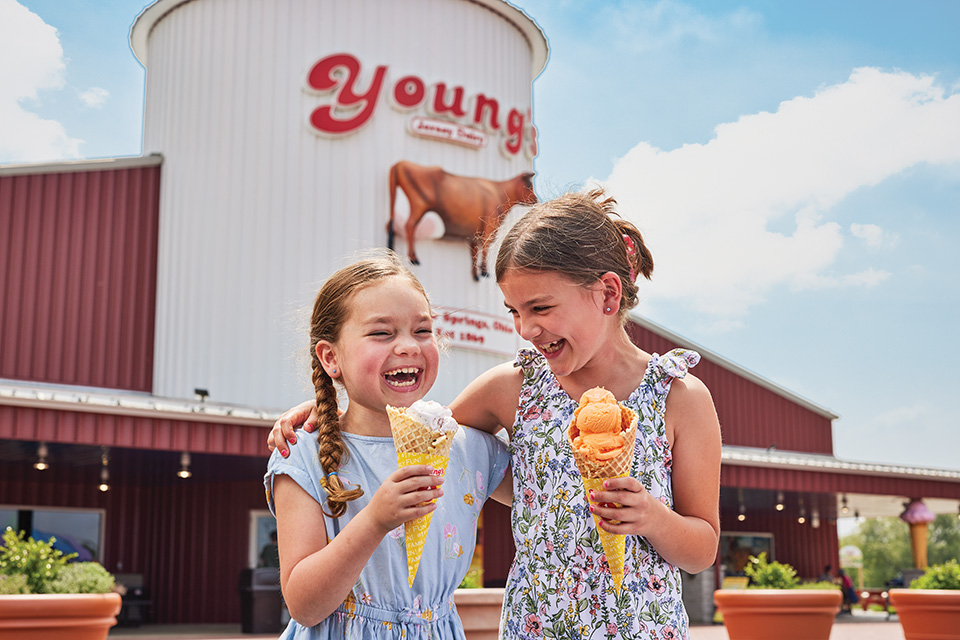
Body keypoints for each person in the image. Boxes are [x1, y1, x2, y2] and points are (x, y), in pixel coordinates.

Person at [270, 189, 722, 639]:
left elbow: (702, 549)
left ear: (607, 293)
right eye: (514, 311)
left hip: (642, 628)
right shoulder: (510, 388)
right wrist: (328, 404)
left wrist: (652, 517)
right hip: (533, 629)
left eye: (540, 307)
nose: (525, 329)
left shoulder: (681, 399)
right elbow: (422, 431)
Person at [264, 252, 512, 639]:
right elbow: (304, 606)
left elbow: (553, 497)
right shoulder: (304, 453)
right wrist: (375, 520)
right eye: (382, 333)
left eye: (423, 330)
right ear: (331, 357)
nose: (409, 346)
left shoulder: (469, 448)